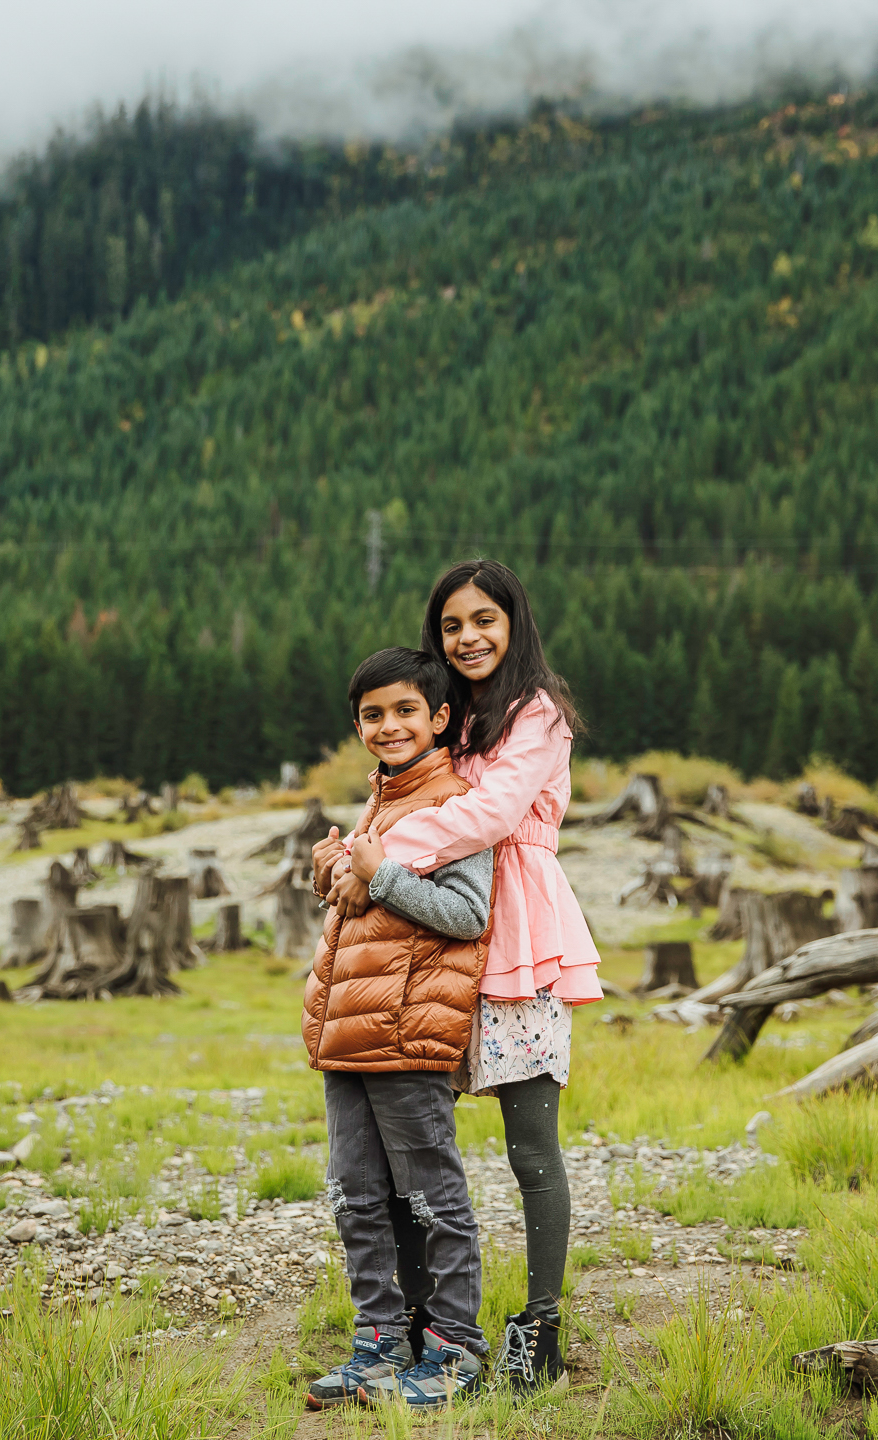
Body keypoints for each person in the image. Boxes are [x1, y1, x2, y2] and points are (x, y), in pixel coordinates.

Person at [316, 558, 599, 1392]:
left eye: (484, 619)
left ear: (515, 622)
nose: (468, 636)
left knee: (530, 1147)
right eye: (451, 625)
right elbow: (406, 796)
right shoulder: (449, 714)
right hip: (431, 953)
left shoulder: (534, 712)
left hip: (514, 935)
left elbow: (493, 814)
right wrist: (349, 863)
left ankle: (538, 1328)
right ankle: (413, 1326)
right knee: (409, 1151)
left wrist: (377, 861)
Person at [301, 646, 495, 1413]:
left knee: (430, 1196)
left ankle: (453, 1350)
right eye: (373, 714)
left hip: (409, 1036)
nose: (390, 725)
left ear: (440, 718)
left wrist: (377, 875)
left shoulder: (457, 806)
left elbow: (466, 915)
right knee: (356, 1195)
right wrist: (335, 873)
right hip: (349, 1036)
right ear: (357, 725)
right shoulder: (379, 803)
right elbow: (377, 915)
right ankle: (379, 1343)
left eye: (405, 710)